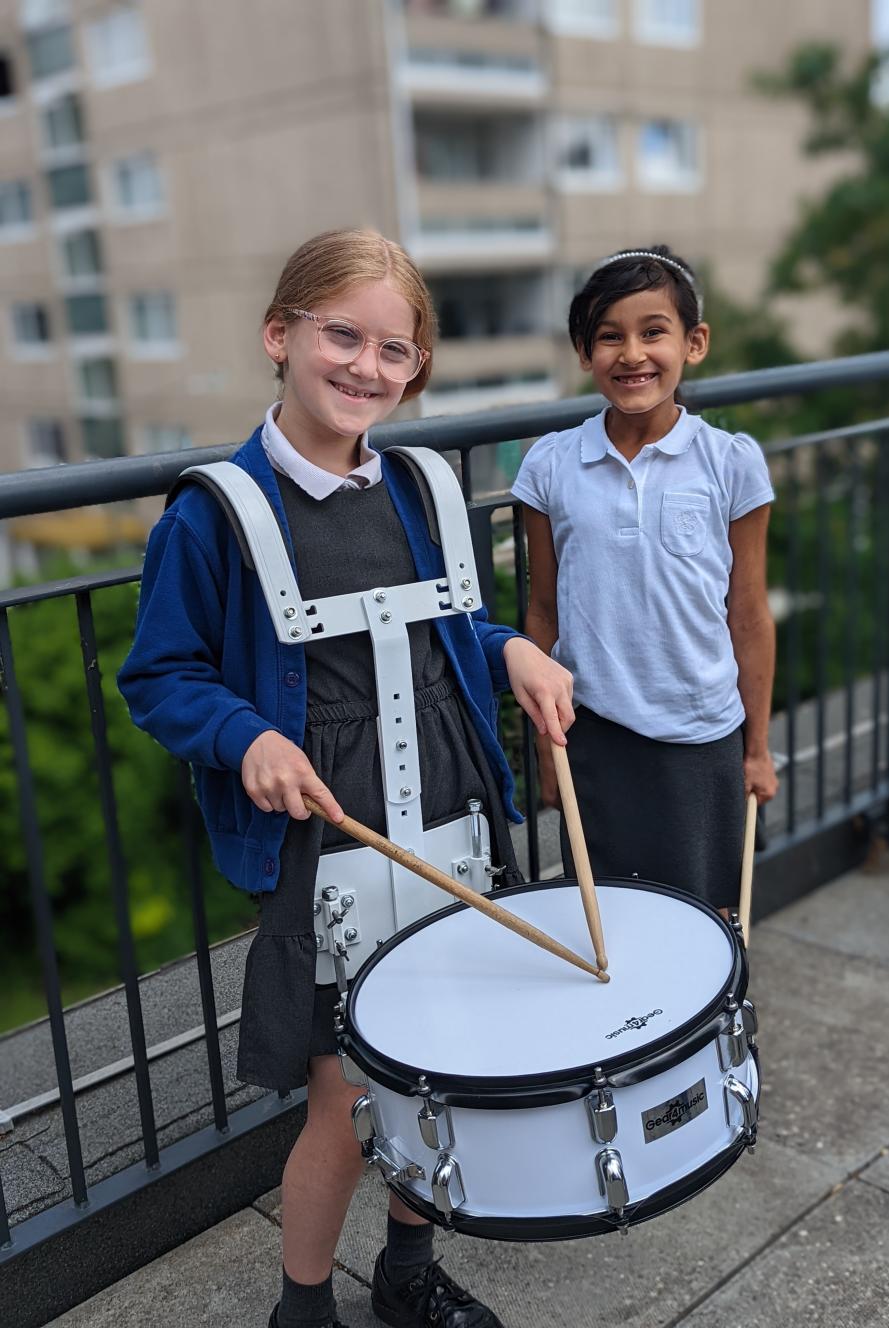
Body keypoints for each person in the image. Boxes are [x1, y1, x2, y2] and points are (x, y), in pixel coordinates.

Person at [118, 228, 573, 1328]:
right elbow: (160, 673)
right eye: (343, 336)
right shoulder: (212, 512)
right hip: (329, 830)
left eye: (396, 349)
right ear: (280, 335)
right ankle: (305, 1303)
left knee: (446, 1059)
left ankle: (409, 1274)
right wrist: (242, 735)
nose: (369, 367)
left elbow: (448, 625)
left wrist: (508, 647)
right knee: (350, 1087)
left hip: (454, 803)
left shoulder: (419, 485)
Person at [511, 246, 778, 914]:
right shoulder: (550, 467)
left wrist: (758, 749)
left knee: (713, 923)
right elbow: (542, 612)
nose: (631, 353)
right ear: (583, 353)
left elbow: (747, 615)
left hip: (704, 736)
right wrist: (549, 750)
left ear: (694, 343)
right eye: (609, 336)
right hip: (595, 733)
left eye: (653, 331)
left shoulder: (732, 464)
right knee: (610, 925)